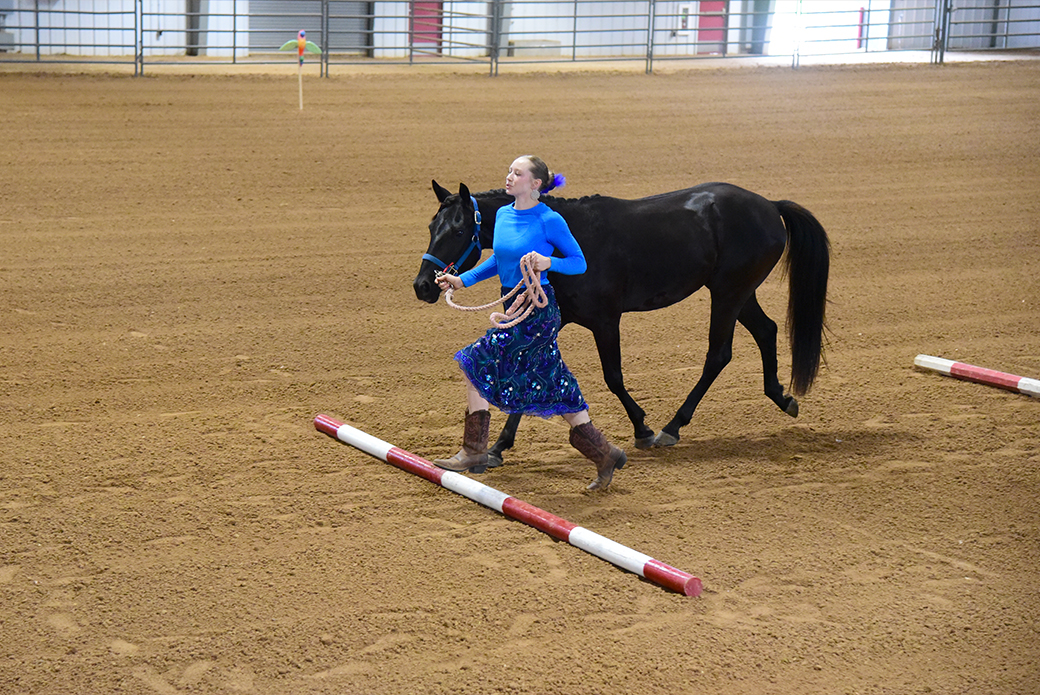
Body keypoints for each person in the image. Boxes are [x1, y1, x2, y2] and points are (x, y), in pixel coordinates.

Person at [434, 155, 626, 491]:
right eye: (509, 170)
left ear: (535, 184)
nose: (509, 177)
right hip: (512, 305)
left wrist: (547, 260)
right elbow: (499, 260)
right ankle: (603, 454)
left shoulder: (550, 220)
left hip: (535, 312)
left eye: (517, 173)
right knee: (553, 383)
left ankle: (474, 450)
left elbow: (579, 263)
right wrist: (460, 281)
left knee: (473, 361)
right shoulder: (506, 215)